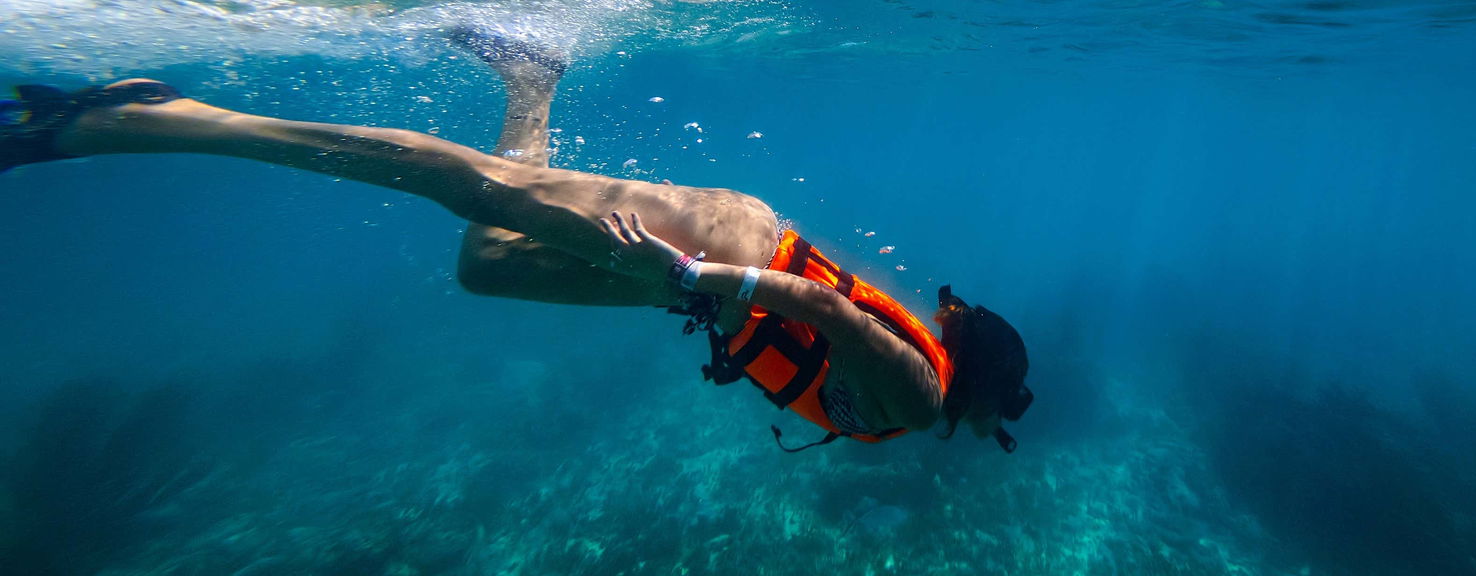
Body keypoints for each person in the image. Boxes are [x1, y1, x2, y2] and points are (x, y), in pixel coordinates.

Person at [0, 31, 1032, 452]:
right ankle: (144, 117)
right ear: (977, 379)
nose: (993, 427)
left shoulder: (923, 406)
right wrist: (679, 269)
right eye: (1003, 409)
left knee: (484, 260)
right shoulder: (925, 396)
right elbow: (815, 306)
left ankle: (531, 73)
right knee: (470, 185)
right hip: (721, 251)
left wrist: (684, 288)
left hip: (702, 283)